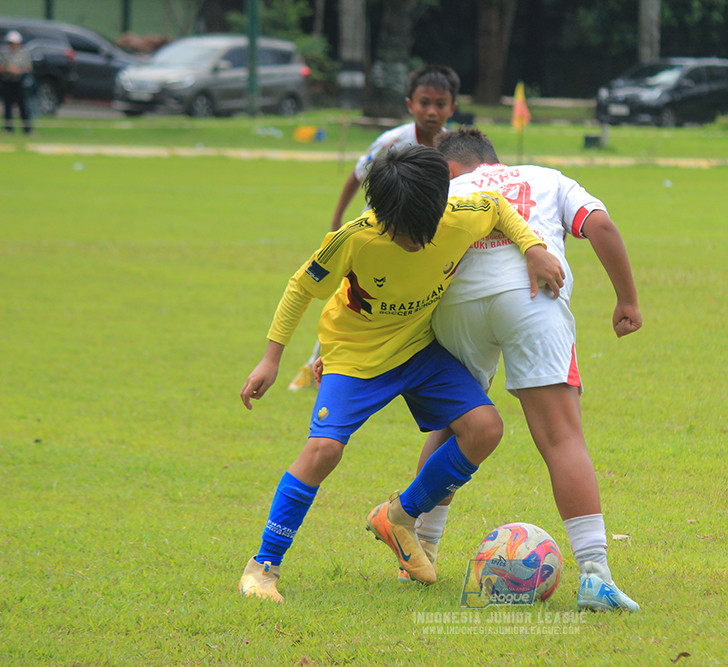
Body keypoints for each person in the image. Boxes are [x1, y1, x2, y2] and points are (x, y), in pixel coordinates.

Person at [315, 128, 643, 611]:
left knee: (454, 423)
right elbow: (602, 227)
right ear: (493, 160)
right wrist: (627, 300)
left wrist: (337, 344)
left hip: (458, 307)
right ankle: (595, 573)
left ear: (445, 169)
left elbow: (366, 252)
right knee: (561, 439)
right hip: (535, 300)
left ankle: (420, 548)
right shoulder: (546, 178)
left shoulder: (440, 191)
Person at [237, 144, 565, 603]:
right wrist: (271, 359)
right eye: (402, 232)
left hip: (418, 349)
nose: (414, 242)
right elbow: (300, 287)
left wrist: (532, 247)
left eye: (421, 231)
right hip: (354, 356)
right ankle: (262, 567)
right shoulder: (355, 237)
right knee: (324, 449)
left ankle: (399, 516)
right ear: (380, 212)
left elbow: (497, 208)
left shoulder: (460, 214)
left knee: (485, 429)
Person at [287, 65, 461, 391]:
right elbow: (356, 177)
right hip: (379, 236)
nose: (432, 111)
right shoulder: (393, 141)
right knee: (350, 300)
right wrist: (338, 220)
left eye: (440, 104)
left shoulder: (455, 147)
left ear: (453, 107)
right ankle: (315, 364)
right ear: (410, 104)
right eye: (425, 102)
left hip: (424, 237)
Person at [0, 31, 33, 135]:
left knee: (23, 105)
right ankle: (8, 129)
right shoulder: (4, 53)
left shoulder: (23, 53)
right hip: (8, 81)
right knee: (8, 106)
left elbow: (28, 67)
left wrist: (20, 70)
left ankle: (27, 129)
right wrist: (10, 69)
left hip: (20, 82)